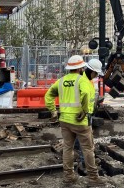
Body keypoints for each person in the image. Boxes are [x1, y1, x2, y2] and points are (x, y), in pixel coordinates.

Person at [44, 55, 105, 186]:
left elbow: (48, 95)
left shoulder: (61, 80)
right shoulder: (82, 81)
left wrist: (53, 110)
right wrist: (85, 111)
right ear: (81, 68)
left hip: (64, 120)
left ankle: (68, 177)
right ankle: (93, 178)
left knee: (67, 148)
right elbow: (86, 95)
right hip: (80, 121)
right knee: (88, 149)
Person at [74, 58, 103, 176]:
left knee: (81, 139)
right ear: (92, 71)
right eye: (96, 74)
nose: (96, 76)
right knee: (85, 141)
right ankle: (84, 163)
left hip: (87, 113)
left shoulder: (87, 80)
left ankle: (78, 155)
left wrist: (95, 103)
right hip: (83, 114)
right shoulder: (83, 81)